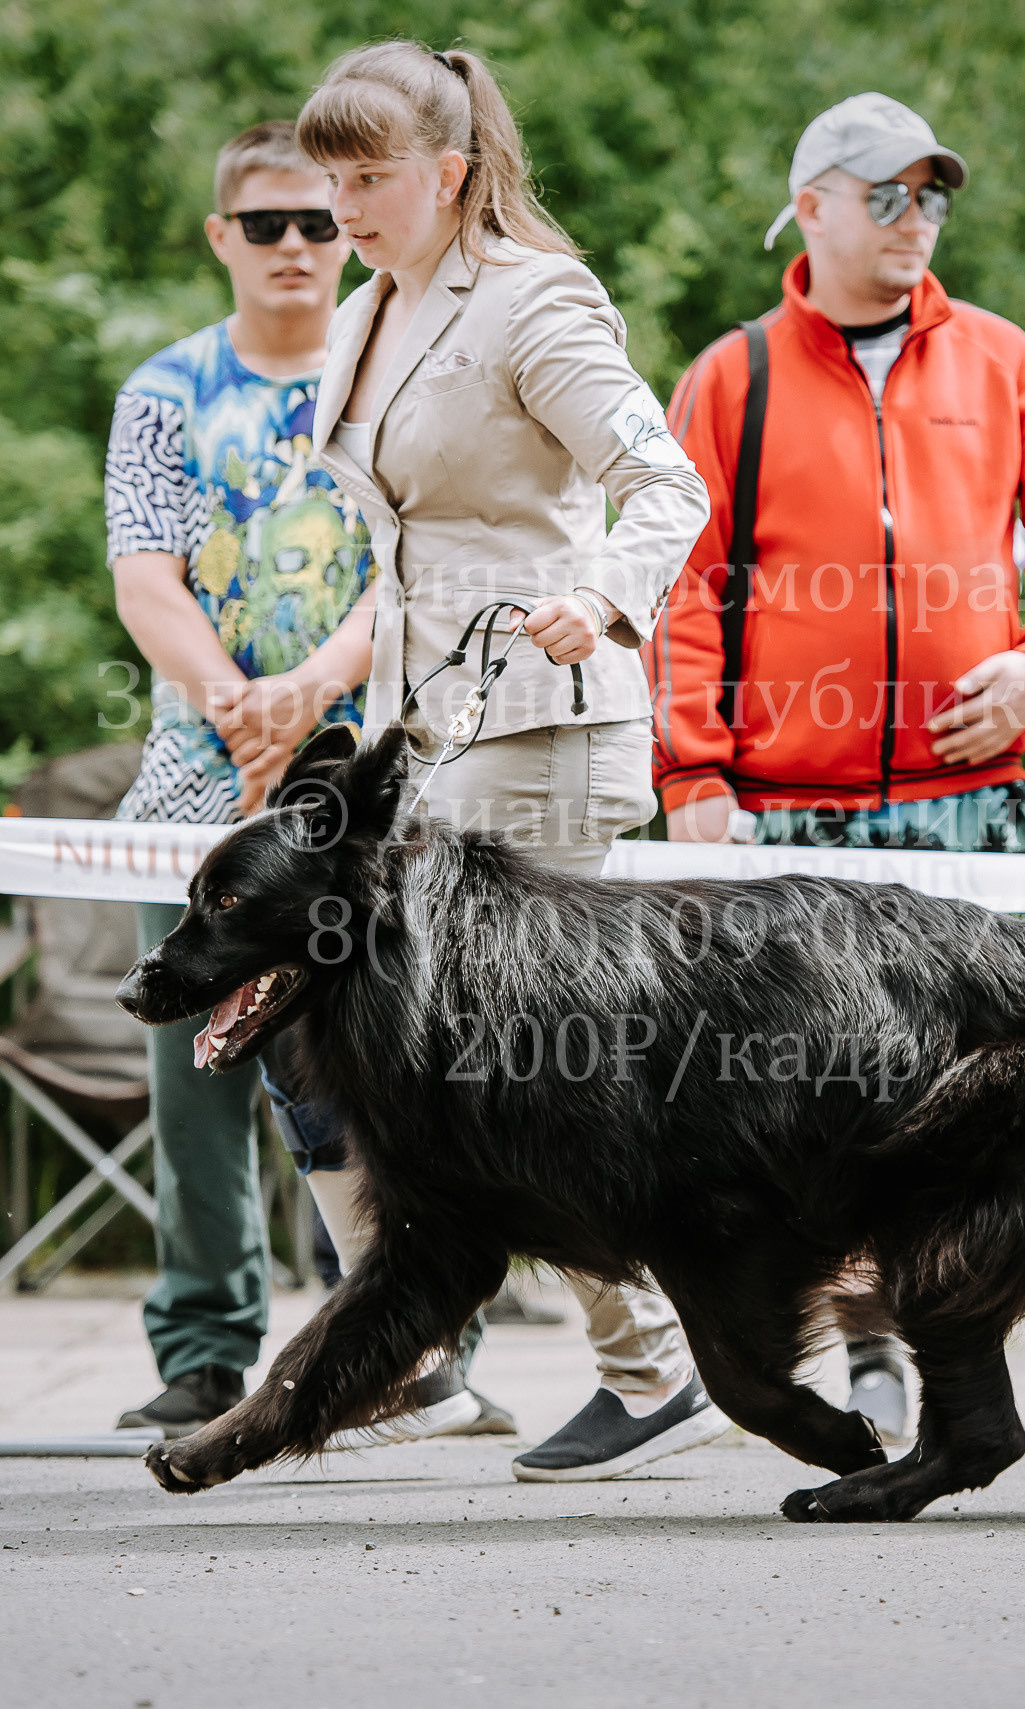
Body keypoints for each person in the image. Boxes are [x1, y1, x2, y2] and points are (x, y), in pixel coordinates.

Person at [651, 94, 1025, 1449]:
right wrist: (696, 781)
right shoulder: (733, 378)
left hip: (981, 810)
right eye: (887, 195)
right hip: (798, 817)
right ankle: (876, 1370)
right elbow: (681, 588)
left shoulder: (1004, 361)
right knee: (834, 1107)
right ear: (812, 208)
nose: (918, 221)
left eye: (933, 196)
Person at [295, 40, 725, 1483]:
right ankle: (606, 1353)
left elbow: (665, 477)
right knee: (468, 1066)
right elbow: (405, 548)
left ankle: (653, 1360)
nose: (342, 205)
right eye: (330, 176)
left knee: (503, 1071)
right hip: (432, 737)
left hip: (545, 726)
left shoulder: (532, 298)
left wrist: (604, 597)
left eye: (370, 177)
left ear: (452, 171)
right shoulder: (373, 309)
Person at [103, 121, 473, 1439]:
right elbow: (144, 570)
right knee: (192, 1070)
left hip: (364, 788)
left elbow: (420, 562)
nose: (299, 247)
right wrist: (237, 706)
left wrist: (311, 695)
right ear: (223, 237)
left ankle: (407, 1335)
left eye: (322, 222)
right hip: (197, 785)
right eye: (268, 224)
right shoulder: (163, 391)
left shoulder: (398, 363)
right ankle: (205, 1343)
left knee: (384, 1067)